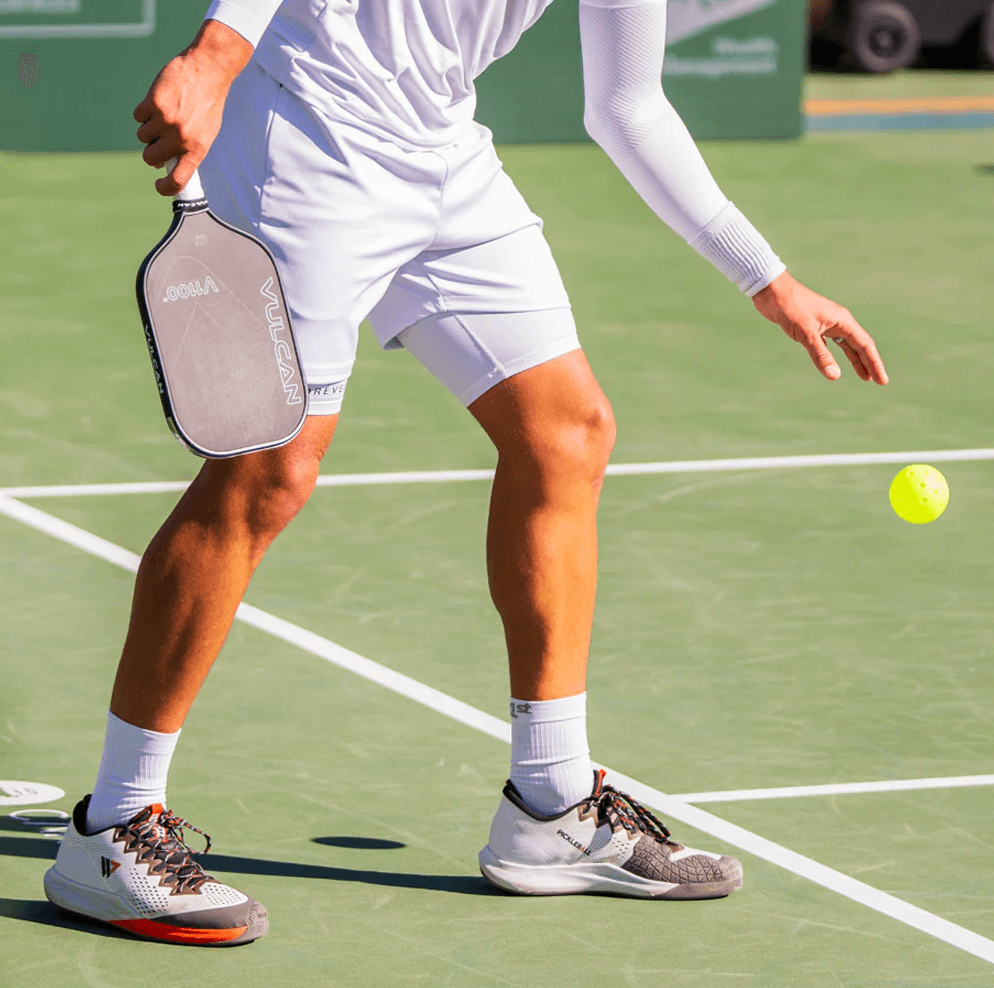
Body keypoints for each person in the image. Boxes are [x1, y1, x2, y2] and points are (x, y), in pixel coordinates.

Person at [43, 0, 889, 947]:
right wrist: (217, 50)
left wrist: (767, 278)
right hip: (311, 131)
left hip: (442, 149)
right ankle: (112, 827)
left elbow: (627, 103)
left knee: (566, 433)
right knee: (266, 475)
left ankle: (552, 805)